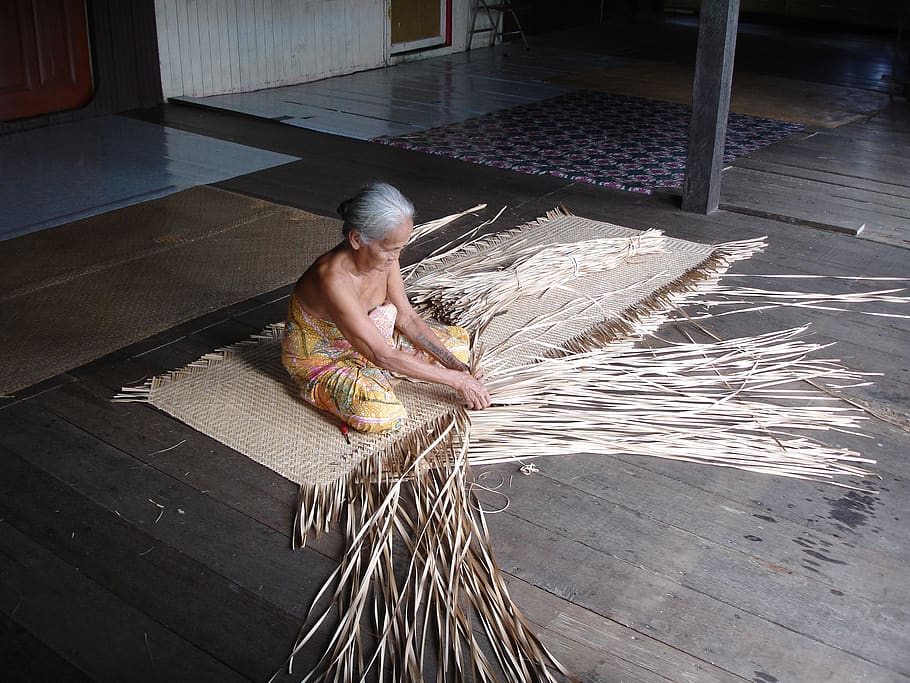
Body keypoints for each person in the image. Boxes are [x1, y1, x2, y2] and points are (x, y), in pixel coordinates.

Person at [282, 182, 491, 434]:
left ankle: (384, 373)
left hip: (371, 338)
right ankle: (328, 386)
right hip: (328, 357)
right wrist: (457, 381)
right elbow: (381, 355)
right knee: (381, 413)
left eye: (400, 248)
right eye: (391, 249)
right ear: (357, 239)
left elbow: (407, 319)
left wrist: (456, 368)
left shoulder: (385, 257)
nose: (396, 257)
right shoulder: (333, 279)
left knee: (457, 348)